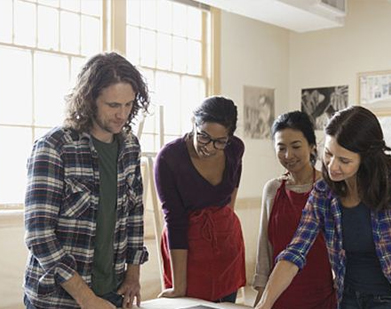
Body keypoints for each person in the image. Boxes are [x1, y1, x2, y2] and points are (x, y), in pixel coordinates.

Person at [256, 106, 391, 309]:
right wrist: (264, 305)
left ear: (366, 158)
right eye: (328, 154)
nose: (332, 167)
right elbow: (295, 251)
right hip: (348, 296)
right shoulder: (323, 192)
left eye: (344, 160)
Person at [24, 52, 150, 309]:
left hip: (112, 293)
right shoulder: (54, 147)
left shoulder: (129, 146)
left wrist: (133, 274)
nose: (122, 114)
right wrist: (86, 298)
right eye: (113, 105)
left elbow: (135, 214)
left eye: (128, 104)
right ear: (89, 100)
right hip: (58, 300)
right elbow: (39, 235)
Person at [154, 96, 246, 303]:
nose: (209, 147)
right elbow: (175, 220)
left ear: (229, 138)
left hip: (226, 245)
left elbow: (232, 190)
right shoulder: (169, 158)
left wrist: (224, 224)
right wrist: (179, 287)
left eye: (219, 141)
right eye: (203, 136)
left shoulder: (234, 148)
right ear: (193, 123)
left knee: (226, 303)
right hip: (188, 250)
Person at [253, 111, 336, 308]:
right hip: (279, 294)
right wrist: (262, 296)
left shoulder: (330, 187)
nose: (288, 155)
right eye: (281, 148)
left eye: (296, 146)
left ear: (312, 146)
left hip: (321, 295)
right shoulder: (273, 189)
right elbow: (264, 247)